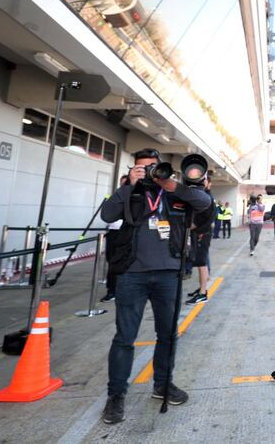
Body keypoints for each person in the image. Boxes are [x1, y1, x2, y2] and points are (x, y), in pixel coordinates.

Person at [99, 148, 211, 425]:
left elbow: (204, 202)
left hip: (168, 274)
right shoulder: (129, 191)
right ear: (133, 169)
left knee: (168, 335)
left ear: (162, 167)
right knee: (124, 338)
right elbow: (107, 214)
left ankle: (162, 385)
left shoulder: (174, 192)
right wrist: (128, 185)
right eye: (142, 167)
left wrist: (171, 184)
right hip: (131, 274)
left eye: (153, 167)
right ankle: (116, 396)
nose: (148, 171)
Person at [187, 175, 215, 305]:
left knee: (201, 263)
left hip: (201, 234)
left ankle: (203, 293)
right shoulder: (201, 196)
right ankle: (201, 288)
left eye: (204, 180)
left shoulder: (208, 198)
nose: (201, 183)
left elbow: (207, 218)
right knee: (201, 262)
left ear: (208, 183)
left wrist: (195, 227)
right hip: (200, 233)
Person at [101, 174, 129, 302]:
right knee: (112, 262)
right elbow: (107, 214)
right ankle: (111, 290)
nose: (124, 186)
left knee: (123, 262)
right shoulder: (116, 197)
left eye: (127, 183)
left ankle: (121, 289)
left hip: (125, 233)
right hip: (113, 232)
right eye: (122, 184)